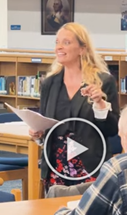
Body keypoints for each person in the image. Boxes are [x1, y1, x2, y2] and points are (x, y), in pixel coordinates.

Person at [29, 22, 119, 193]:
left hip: (90, 164)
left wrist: (100, 104)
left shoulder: (102, 82)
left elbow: (112, 129)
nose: (59, 47)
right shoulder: (49, 83)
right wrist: (38, 135)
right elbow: (45, 124)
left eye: (66, 42)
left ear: (82, 49)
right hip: (55, 165)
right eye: (57, 42)